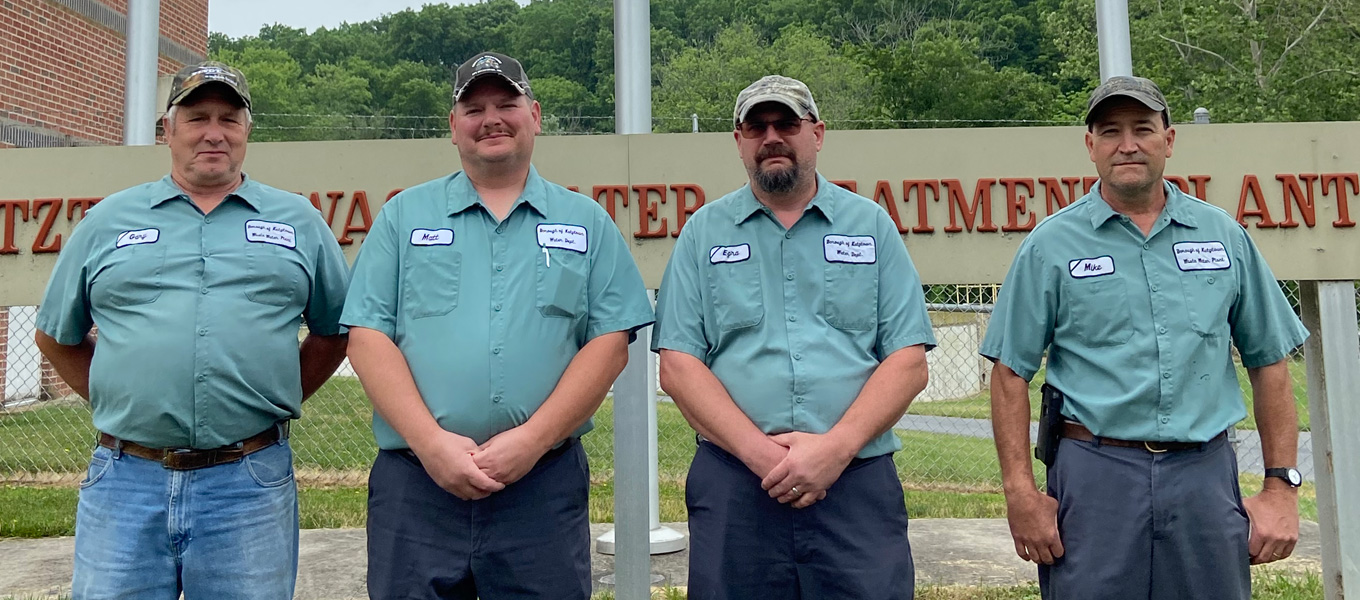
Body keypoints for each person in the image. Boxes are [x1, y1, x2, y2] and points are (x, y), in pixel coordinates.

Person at [981, 75, 1309, 599]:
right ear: (1090, 146)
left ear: (1169, 140)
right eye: (1110, 131)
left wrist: (1280, 487)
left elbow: (1269, 362)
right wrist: (1020, 493)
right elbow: (1009, 372)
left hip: (1203, 475)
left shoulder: (1223, 237)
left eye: (1142, 129)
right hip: (1095, 478)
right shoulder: (1050, 246)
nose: (1127, 144)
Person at [341, 51, 653, 600]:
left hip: (541, 487)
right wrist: (432, 444)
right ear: (452, 127)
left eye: (506, 104)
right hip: (418, 485)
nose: (492, 119)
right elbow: (368, 337)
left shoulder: (585, 223)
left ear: (534, 115)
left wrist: (532, 440)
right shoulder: (401, 218)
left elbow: (608, 345)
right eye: (474, 108)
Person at [33, 60, 351, 599]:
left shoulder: (299, 222)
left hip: (249, 480)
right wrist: (124, 398)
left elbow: (334, 332)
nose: (213, 132)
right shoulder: (108, 221)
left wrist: (275, 394)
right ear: (168, 130)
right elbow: (55, 336)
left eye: (229, 118)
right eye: (197, 116)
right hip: (126, 480)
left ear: (248, 130)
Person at [652, 75, 935, 600]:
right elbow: (678, 365)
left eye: (786, 123)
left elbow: (908, 359)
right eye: (756, 127)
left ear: (818, 133)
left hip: (855, 482)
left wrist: (835, 449)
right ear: (739, 141)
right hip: (737, 484)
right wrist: (761, 455)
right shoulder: (703, 234)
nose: (771, 137)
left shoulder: (870, 227)